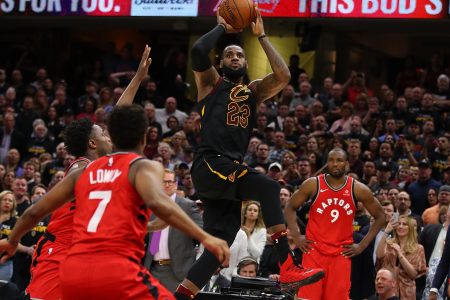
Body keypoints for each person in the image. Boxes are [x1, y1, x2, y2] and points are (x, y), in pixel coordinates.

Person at [0, 105, 229, 300]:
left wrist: (12, 241)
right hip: (113, 268)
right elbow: (158, 203)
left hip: (73, 270)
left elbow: (33, 212)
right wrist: (206, 238)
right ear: (144, 138)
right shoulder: (140, 166)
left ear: (114, 138)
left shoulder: (84, 173)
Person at [176, 5, 324, 300]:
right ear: (221, 61)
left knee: (220, 245)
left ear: (245, 62)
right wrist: (221, 27)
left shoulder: (254, 92)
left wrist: (262, 36)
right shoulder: (210, 84)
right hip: (210, 164)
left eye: (239, 55)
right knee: (268, 186)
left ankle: (180, 296)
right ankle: (287, 265)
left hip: (226, 174)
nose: (234, 58)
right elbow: (197, 51)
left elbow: (283, 76)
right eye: (229, 54)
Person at [285, 148, 385, 299]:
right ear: (326, 163)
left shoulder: (357, 188)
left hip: (340, 254)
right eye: (331, 160)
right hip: (314, 252)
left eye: (339, 160)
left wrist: (362, 246)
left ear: (346, 164)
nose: (335, 164)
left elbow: (381, 217)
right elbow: (289, 207)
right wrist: (297, 237)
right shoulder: (313, 184)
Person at [144, 169, 203, 293]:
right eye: (163, 182)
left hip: (177, 270)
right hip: (152, 269)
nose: (166, 185)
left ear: (175, 184)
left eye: (170, 182)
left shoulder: (187, 205)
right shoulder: (151, 205)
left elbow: (200, 233)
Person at [376, 215, 427, 299]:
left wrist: (400, 254)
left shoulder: (418, 248)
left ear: (410, 228)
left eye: (404, 224)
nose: (400, 226)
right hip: (388, 291)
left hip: (407, 293)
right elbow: (378, 255)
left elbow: (413, 274)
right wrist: (386, 232)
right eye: (398, 224)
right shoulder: (389, 244)